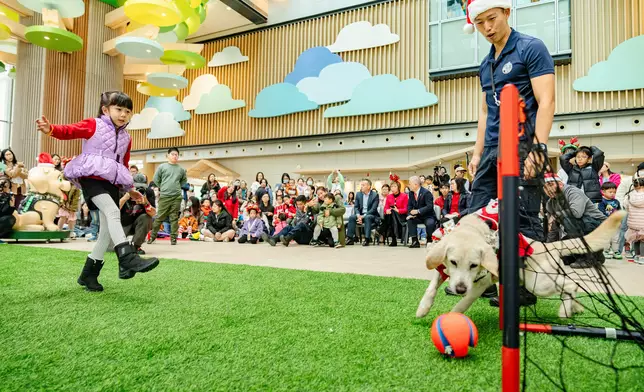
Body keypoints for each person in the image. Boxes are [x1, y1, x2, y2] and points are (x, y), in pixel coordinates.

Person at [463, 0, 555, 306]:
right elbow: (484, 112)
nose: (488, 28)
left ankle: (525, 288)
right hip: (491, 150)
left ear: (506, 13)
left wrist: (537, 150)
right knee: (476, 216)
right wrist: (476, 154)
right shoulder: (485, 64)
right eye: (480, 24)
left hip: (523, 147)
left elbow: (547, 101)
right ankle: (485, 279)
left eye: (492, 19)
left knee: (524, 218)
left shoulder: (531, 48)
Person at [36, 91, 159, 291]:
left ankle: (88, 276)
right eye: (118, 109)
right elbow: (70, 131)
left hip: (111, 182)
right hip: (90, 178)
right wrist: (51, 129)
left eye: (127, 111)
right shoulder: (94, 124)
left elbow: (124, 164)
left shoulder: (127, 138)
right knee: (112, 212)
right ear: (105, 109)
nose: (123, 114)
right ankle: (127, 257)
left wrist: (131, 189)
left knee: (104, 233)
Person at [544, 173, 607, 268]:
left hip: (600, 227)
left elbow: (576, 213)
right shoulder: (550, 204)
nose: (549, 189)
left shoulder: (573, 192)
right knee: (563, 258)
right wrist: (549, 251)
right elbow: (553, 230)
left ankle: (588, 257)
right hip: (582, 229)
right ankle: (597, 255)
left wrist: (556, 215)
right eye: (545, 187)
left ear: (560, 184)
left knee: (568, 219)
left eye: (551, 184)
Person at [148, 147, 188, 246]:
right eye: (173, 154)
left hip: (177, 197)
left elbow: (183, 181)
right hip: (165, 196)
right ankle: (152, 237)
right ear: (168, 155)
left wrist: (177, 187)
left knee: (174, 218)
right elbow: (156, 179)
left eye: (176, 155)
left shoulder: (181, 169)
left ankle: (173, 239)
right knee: (159, 217)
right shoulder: (162, 167)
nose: (175, 156)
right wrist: (163, 187)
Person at [120, 173, 156, 253]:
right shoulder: (122, 190)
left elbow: (153, 214)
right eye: (136, 187)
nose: (139, 189)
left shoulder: (148, 192)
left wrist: (146, 203)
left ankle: (135, 246)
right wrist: (125, 198)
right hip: (121, 224)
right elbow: (113, 210)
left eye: (142, 187)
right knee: (112, 248)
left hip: (138, 223)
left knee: (146, 218)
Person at [346, 179, 379, 246]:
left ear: (369, 186)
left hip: (371, 215)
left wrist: (363, 216)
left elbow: (373, 209)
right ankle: (350, 239)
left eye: (363, 185)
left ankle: (367, 239)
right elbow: (356, 207)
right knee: (352, 217)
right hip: (360, 215)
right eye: (361, 185)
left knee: (367, 217)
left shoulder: (375, 195)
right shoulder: (358, 194)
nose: (361, 186)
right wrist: (358, 215)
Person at [406, 176, 437, 248]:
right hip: (417, 216)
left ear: (416, 184)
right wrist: (410, 213)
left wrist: (418, 211)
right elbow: (409, 206)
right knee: (410, 219)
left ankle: (429, 239)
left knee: (430, 223)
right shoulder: (411, 193)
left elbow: (429, 207)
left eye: (410, 184)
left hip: (428, 215)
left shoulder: (426, 193)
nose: (409, 185)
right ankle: (415, 241)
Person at [380, 175, 408, 247]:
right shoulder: (389, 196)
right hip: (391, 216)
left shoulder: (404, 196)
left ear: (398, 187)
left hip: (401, 216)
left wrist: (398, 210)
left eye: (394, 186)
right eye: (391, 187)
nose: (392, 188)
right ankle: (393, 238)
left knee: (392, 214)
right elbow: (385, 208)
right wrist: (387, 211)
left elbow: (406, 209)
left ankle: (386, 233)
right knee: (391, 214)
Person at [597, 181, 622, 259]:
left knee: (616, 238)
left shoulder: (616, 201)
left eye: (614, 192)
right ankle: (605, 250)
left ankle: (616, 251)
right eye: (610, 192)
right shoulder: (601, 202)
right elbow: (601, 213)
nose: (612, 194)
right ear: (603, 192)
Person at [624, 169, 644, 264]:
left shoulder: (629, 196)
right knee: (643, 240)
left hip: (633, 223)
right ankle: (642, 257)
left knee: (636, 240)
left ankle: (636, 255)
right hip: (643, 224)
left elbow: (626, 206)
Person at [0, 176, 16, 244]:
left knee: (10, 218)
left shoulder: (8, 197)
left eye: (6, 186)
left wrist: (11, 206)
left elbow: (5, 213)